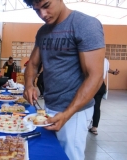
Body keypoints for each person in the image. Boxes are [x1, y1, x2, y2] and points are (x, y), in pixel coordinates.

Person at [23, 0, 105, 159]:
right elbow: (33, 63)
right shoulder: (43, 32)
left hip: (75, 111)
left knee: (69, 156)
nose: (43, 15)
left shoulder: (85, 25)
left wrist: (67, 114)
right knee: (50, 154)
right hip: (50, 106)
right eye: (37, 10)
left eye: (46, 6)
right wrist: (29, 84)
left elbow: (95, 76)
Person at [89, 58, 120, 135]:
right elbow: (107, 69)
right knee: (97, 107)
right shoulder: (105, 60)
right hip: (101, 85)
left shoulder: (91, 57)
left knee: (86, 106)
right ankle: (94, 128)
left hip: (91, 84)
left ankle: (86, 123)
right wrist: (113, 72)